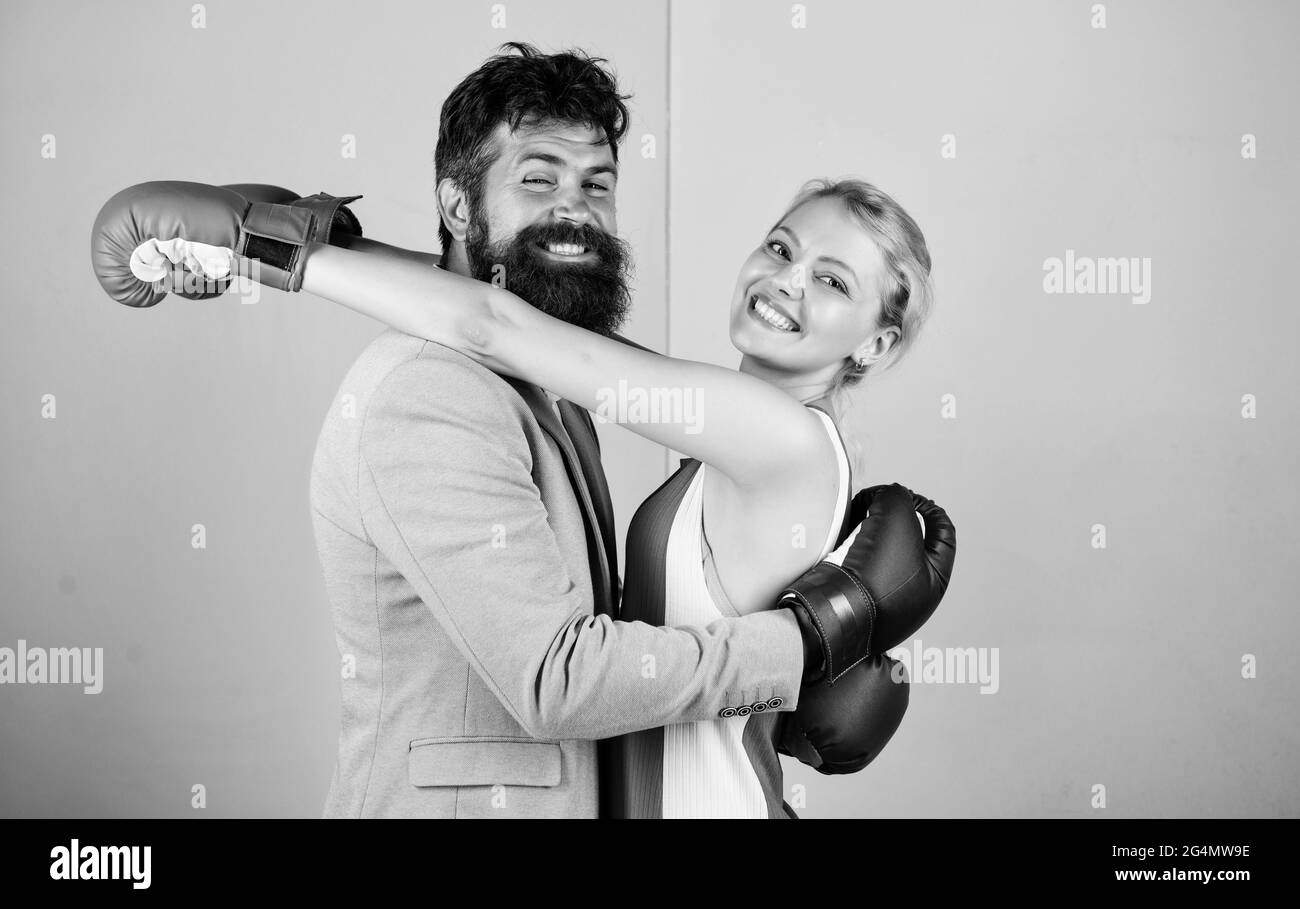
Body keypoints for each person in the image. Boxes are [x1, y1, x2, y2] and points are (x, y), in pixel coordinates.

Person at [89, 43, 955, 819]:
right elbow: (507, 316)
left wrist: (270, 251)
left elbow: (497, 325)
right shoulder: (685, 408)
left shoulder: (775, 433)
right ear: (459, 205)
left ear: (876, 342)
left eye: (834, 282)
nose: (787, 282)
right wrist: (307, 230)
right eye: (779, 248)